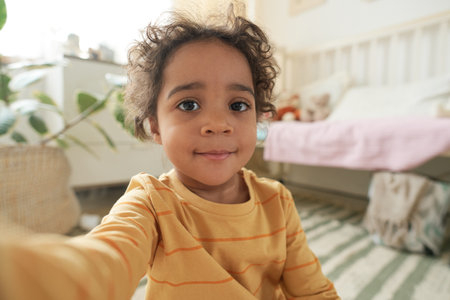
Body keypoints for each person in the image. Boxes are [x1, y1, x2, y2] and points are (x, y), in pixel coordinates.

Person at [0, 6, 340, 300]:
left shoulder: (277, 202)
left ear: (259, 116)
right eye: (189, 104)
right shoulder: (150, 203)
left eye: (238, 105)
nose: (218, 124)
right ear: (155, 126)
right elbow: (100, 265)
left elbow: (313, 291)